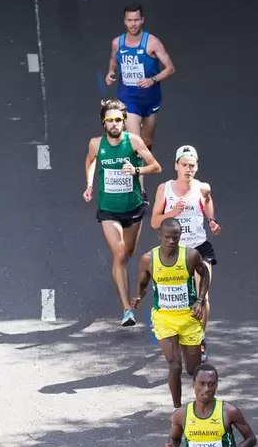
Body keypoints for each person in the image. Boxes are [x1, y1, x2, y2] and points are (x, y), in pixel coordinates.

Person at [83, 98, 161, 327]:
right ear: (103, 123)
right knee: (118, 254)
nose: (115, 124)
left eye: (118, 120)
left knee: (127, 254)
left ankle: (127, 279)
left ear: (124, 122)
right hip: (108, 210)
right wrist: (89, 185)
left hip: (133, 208)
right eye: (110, 120)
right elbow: (90, 161)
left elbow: (156, 166)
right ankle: (127, 309)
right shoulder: (96, 144)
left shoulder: (134, 142)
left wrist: (136, 170)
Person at [151, 145, 221, 361]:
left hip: (199, 248)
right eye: (184, 165)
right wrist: (172, 213)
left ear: (196, 167)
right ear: (176, 166)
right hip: (174, 251)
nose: (188, 169)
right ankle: (173, 334)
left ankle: (199, 339)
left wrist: (212, 222)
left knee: (203, 296)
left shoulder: (202, 188)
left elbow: (208, 210)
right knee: (178, 298)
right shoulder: (165, 189)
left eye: (192, 165)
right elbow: (154, 221)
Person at [131, 217, 209, 406]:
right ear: (159, 235)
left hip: (189, 318)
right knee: (174, 365)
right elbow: (143, 281)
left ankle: (201, 394)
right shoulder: (149, 259)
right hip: (163, 318)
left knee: (193, 370)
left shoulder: (190, 256)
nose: (172, 241)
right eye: (167, 237)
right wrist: (139, 296)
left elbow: (204, 274)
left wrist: (200, 300)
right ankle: (177, 409)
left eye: (176, 237)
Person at [105, 4, 175, 152]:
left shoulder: (152, 43)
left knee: (147, 140)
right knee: (134, 141)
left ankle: (142, 165)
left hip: (150, 99)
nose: (133, 24)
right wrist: (111, 72)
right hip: (128, 98)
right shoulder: (117, 43)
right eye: (129, 20)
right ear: (124, 21)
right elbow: (113, 60)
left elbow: (170, 68)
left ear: (142, 20)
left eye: (136, 20)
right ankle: (137, 174)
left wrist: (152, 80)